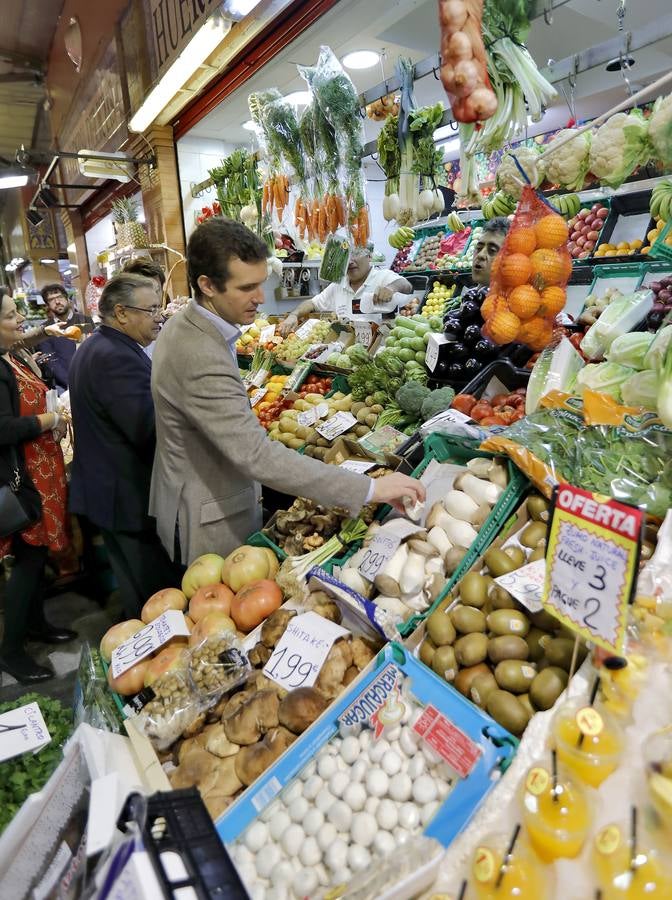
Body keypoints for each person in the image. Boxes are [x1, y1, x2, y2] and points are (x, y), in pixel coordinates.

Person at [150, 218, 425, 566]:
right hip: (209, 512)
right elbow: (258, 456)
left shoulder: (185, 325)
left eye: (261, 284)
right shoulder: (197, 352)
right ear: (207, 285)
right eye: (247, 287)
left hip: (199, 492)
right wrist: (370, 490)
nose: (261, 298)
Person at [68, 274, 181, 618]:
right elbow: (146, 428)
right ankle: (159, 660)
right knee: (156, 595)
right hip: (126, 493)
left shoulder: (96, 346)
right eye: (150, 309)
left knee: (134, 586)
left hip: (108, 492)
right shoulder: (114, 356)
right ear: (121, 313)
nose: (158, 316)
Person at [0, 286, 73, 684]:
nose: (19, 321)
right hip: (24, 475)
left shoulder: (10, 353)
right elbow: (2, 428)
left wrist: (46, 332)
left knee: (38, 554)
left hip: (41, 467)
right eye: (11, 315)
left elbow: (24, 337)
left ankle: (37, 624)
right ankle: (11, 651)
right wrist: (49, 421)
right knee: (28, 560)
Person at [279, 245, 413, 335]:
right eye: (346, 256)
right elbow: (312, 303)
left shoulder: (382, 276)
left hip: (379, 352)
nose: (350, 261)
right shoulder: (338, 285)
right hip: (347, 352)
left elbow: (407, 285)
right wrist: (294, 315)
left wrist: (391, 288)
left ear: (369, 256)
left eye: (356, 254)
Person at [35, 283, 93, 392]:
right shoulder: (46, 330)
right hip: (64, 387)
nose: (57, 302)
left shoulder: (85, 321)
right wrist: (72, 383)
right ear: (47, 305)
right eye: (51, 300)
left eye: (59, 297)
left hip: (91, 380)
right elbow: (50, 361)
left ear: (67, 298)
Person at [122, 259, 167, 360]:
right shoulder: (119, 339)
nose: (153, 297)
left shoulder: (168, 331)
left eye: (157, 290)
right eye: (147, 291)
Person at [471, 218, 510, 287]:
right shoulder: (473, 295)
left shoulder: (516, 296)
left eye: (492, 250)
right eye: (479, 248)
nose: (480, 255)